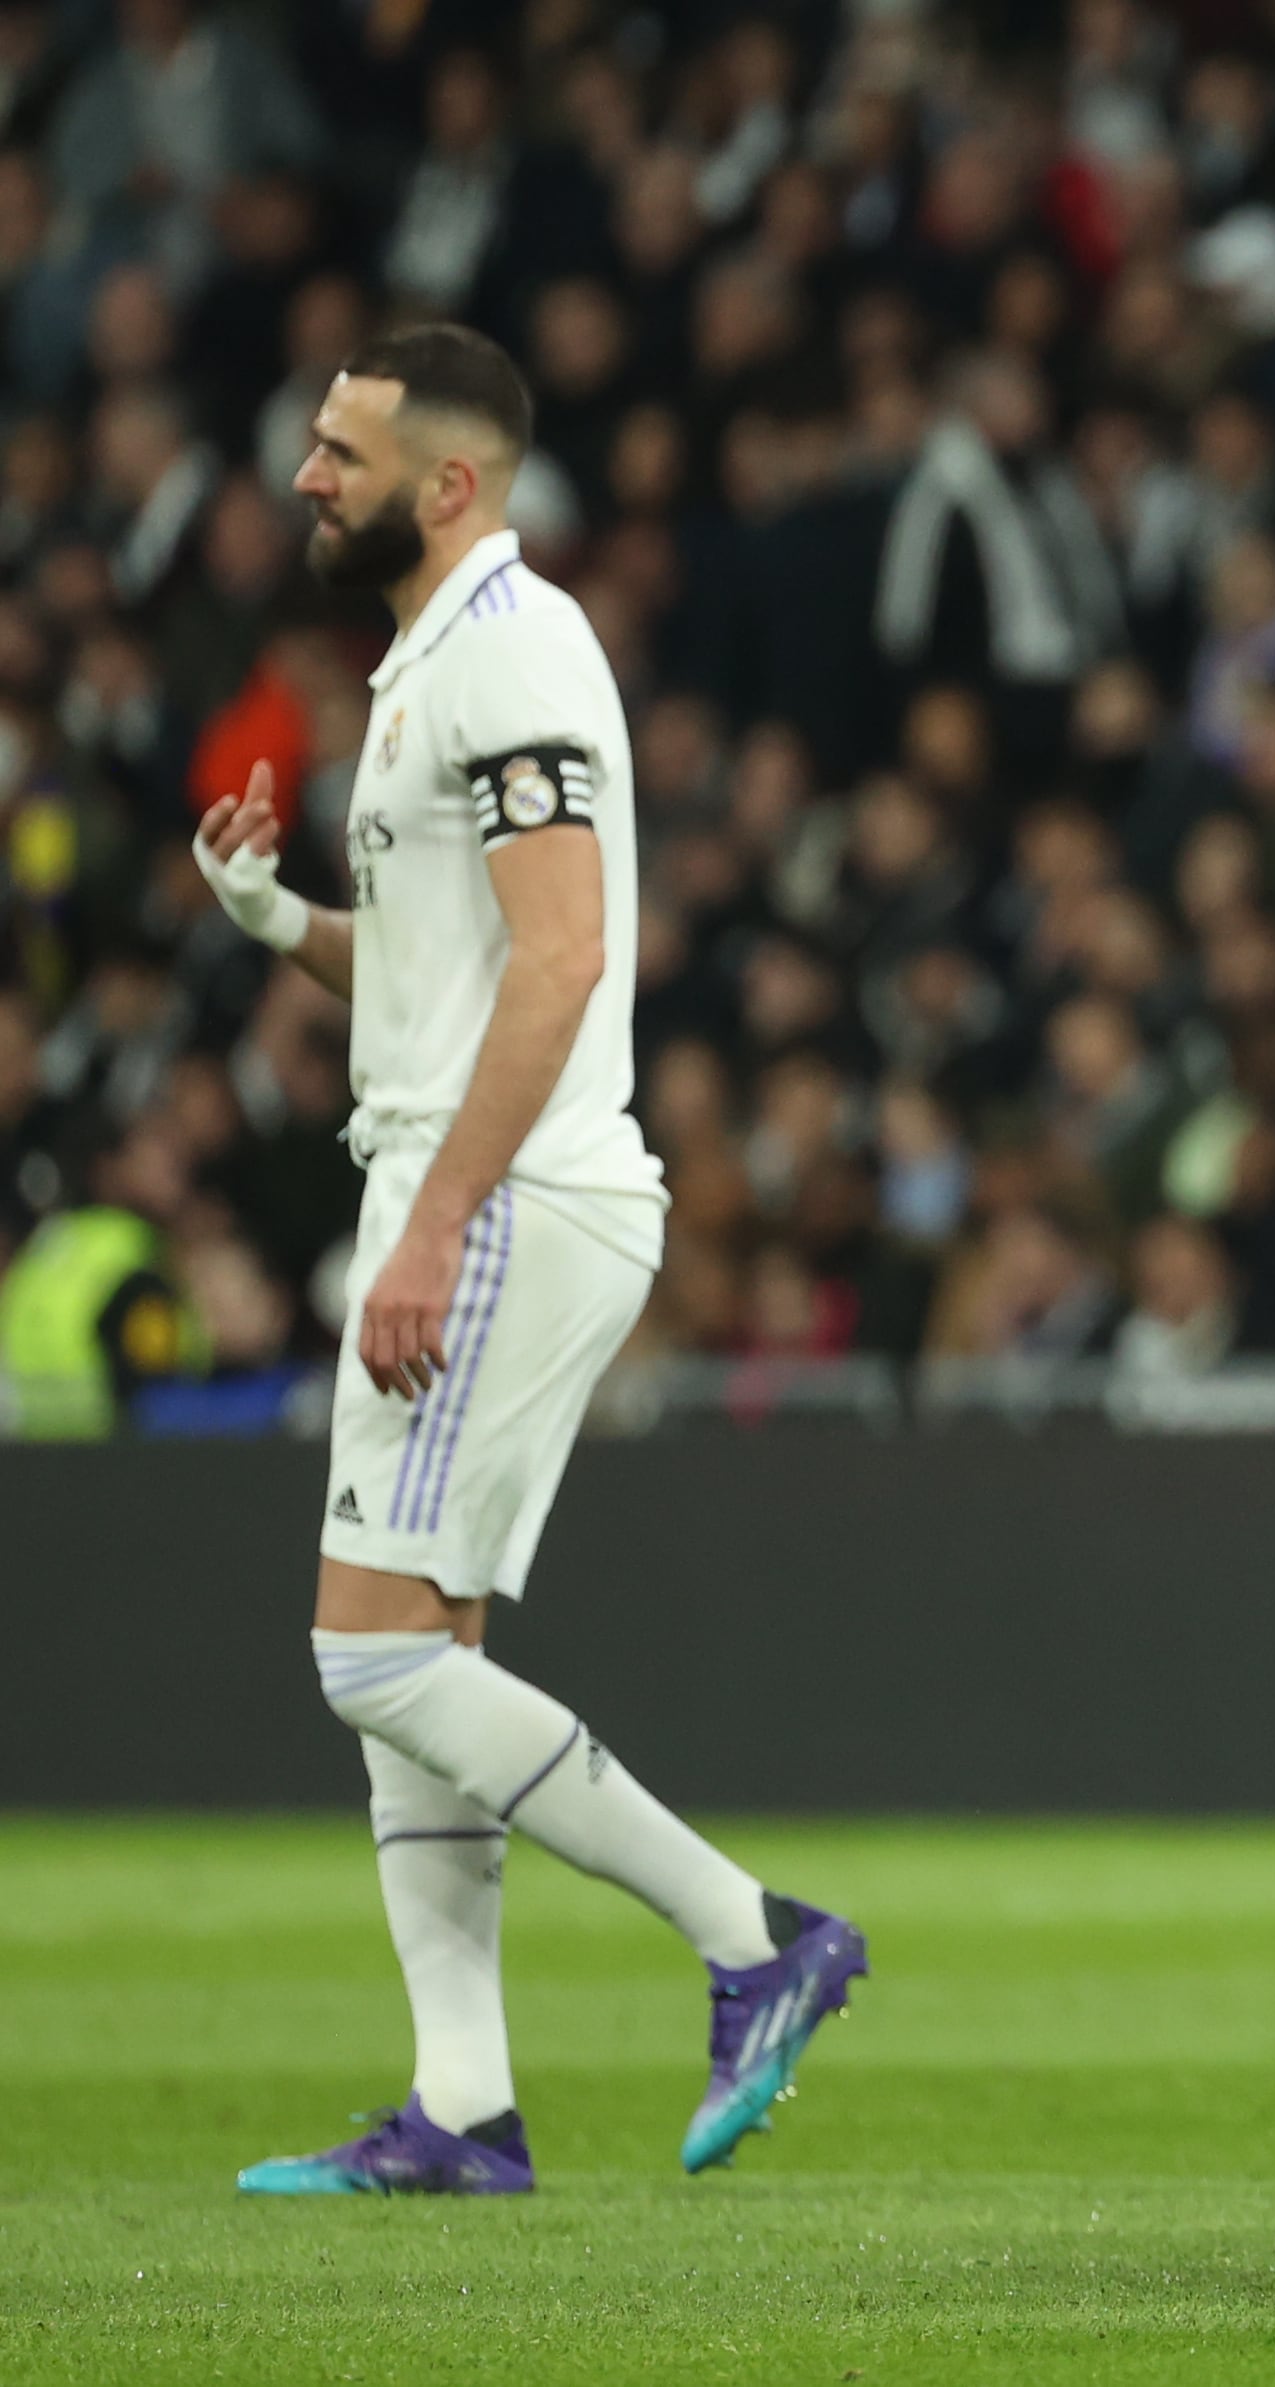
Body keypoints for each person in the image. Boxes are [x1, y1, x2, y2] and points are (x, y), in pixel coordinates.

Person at [203, 326, 864, 2199]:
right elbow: (451, 970)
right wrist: (273, 918)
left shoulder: (509, 649)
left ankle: (757, 1939)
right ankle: (466, 2109)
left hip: (500, 1200)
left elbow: (566, 962)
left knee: (364, 1651)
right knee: (424, 1646)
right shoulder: (433, 660)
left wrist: (426, 1230)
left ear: (452, 483)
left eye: (342, 451)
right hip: (458, 1182)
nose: (308, 476)